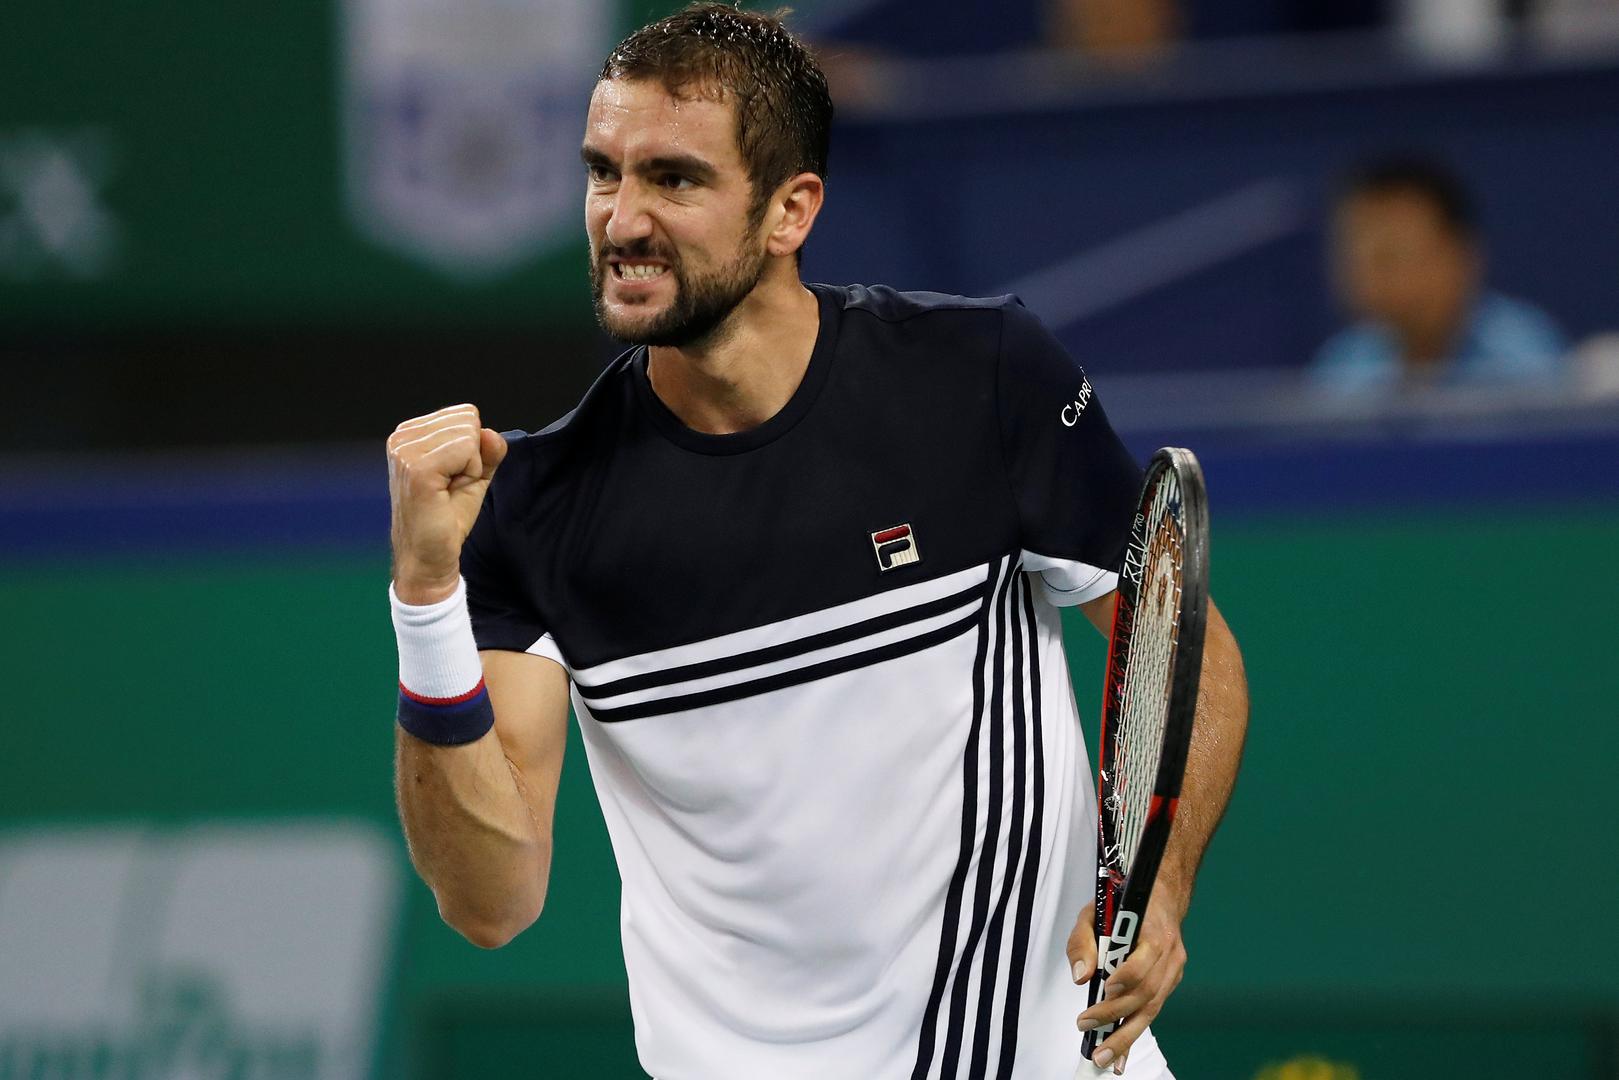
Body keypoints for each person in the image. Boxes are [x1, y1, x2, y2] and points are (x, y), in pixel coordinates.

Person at [384, 5, 1248, 1078]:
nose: (622, 218)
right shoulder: (535, 504)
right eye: (604, 172)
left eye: (674, 179)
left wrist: (1157, 887)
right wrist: (424, 600)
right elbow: (491, 902)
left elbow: (1184, 647)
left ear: (789, 210)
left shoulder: (977, 378)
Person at [1311, 156, 1567, 394]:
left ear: (1459, 254)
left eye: (1391, 255)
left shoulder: (1523, 357)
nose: (1368, 276)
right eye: (1356, 255)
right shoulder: (1344, 364)